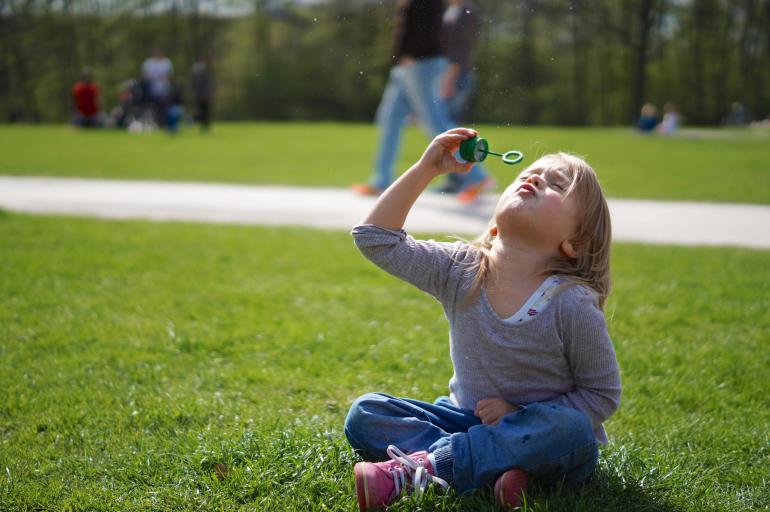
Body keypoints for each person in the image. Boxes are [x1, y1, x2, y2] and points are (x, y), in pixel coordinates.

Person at [345, 128, 621, 511]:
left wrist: (518, 417)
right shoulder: (460, 269)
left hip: (542, 435)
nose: (533, 177)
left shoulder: (570, 303)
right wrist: (427, 169)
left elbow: (601, 394)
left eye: (557, 184)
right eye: (527, 174)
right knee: (367, 412)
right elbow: (376, 239)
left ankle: (419, 470)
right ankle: (496, 472)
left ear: (574, 243)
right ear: (494, 220)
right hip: (466, 419)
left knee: (572, 432)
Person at [351, 0, 490, 204]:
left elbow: (427, 28)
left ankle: (477, 176)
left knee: (434, 121)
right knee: (390, 118)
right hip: (407, 64)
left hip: (421, 63)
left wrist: (413, 55)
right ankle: (381, 179)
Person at [141, 47, 173, 126]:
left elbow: (169, 76)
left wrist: (161, 78)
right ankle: (152, 123)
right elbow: (144, 76)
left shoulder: (166, 62)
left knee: (163, 108)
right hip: (150, 90)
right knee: (151, 108)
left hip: (163, 90)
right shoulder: (148, 63)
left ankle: (163, 123)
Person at [190, 54, 214, 132]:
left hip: (203, 94)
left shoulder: (203, 69)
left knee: (205, 112)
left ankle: (205, 126)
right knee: (202, 112)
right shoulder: (201, 70)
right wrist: (204, 94)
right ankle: (192, 121)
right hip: (202, 95)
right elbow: (201, 84)